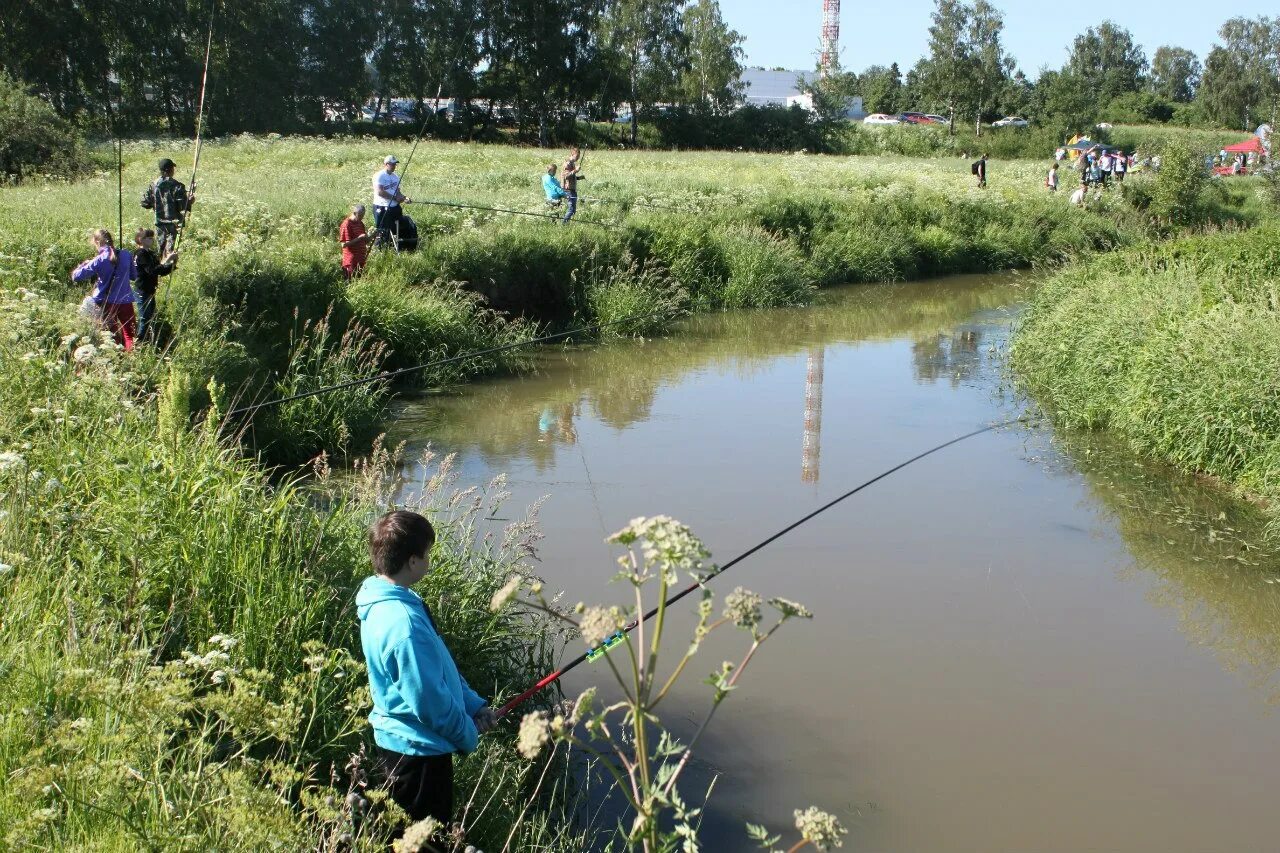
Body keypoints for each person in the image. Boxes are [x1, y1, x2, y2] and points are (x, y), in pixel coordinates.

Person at [357, 510, 498, 837]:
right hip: (417, 755)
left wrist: (473, 706)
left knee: (404, 834)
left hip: (406, 744)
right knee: (423, 840)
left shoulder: (386, 600)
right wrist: (468, 732)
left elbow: (440, 667)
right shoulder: (403, 625)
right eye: (427, 554)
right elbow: (429, 702)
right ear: (412, 562)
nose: (429, 560)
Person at [72, 229, 138, 351]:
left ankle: (117, 356)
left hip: (106, 302)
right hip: (126, 301)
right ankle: (132, 357)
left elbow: (76, 277)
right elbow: (134, 276)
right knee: (130, 334)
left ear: (97, 241)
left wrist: (83, 265)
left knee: (111, 334)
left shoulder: (99, 259)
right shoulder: (126, 254)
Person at [140, 158, 194, 256]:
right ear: (171, 170)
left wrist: (156, 204)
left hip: (159, 224)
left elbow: (145, 203)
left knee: (161, 253)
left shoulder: (153, 185)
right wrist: (190, 201)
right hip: (174, 225)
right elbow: (183, 207)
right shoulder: (177, 186)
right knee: (171, 254)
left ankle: (160, 269)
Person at [132, 228, 176, 341]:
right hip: (142, 290)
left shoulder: (151, 253)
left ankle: (148, 340)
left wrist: (171, 265)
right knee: (144, 318)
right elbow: (151, 270)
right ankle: (139, 342)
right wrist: (166, 260)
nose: (152, 239)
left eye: (152, 237)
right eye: (149, 238)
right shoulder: (140, 254)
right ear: (140, 240)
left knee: (150, 317)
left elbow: (159, 271)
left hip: (151, 290)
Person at [373, 155, 411, 249]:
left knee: (396, 228)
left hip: (394, 207)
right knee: (382, 230)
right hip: (381, 207)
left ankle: (395, 246)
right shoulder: (379, 175)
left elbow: (398, 192)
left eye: (395, 164)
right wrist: (395, 198)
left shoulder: (396, 177)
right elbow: (380, 192)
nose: (394, 166)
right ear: (386, 164)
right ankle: (379, 249)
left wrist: (404, 198)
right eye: (392, 164)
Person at [339, 204, 372, 279]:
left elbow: (365, 241)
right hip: (351, 262)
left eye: (363, 216)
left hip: (361, 260)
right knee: (350, 283)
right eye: (360, 216)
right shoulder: (346, 224)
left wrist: (373, 235)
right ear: (354, 213)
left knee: (358, 281)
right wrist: (359, 238)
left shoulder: (360, 223)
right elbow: (344, 245)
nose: (362, 218)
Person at [559, 147, 584, 224]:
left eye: (579, 157)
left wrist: (579, 178)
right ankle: (563, 224)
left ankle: (565, 223)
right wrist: (575, 170)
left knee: (573, 210)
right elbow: (566, 176)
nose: (578, 158)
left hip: (572, 189)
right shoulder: (567, 163)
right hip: (568, 189)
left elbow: (571, 177)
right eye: (577, 156)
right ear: (572, 154)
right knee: (571, 209)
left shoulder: (572, 163)